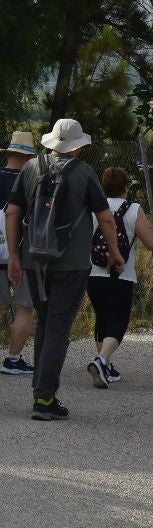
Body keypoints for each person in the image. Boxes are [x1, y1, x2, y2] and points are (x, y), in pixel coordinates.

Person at [5, 119, 123, 419]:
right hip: (70, 264)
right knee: (58, 326)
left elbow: (14, 211)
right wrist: (114, 252)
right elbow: (106, 218)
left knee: (45, 322)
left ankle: (40, 392)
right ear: (78, 146)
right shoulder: (84, 173)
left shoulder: (31, 168)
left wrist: (16, 255)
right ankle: (44, 400)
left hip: (33, 261)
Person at [85, 167, 153, 388]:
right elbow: (150, 243)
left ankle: (105, 366)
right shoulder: (134, 209)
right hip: (121, 274)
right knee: (117, 322)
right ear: (126, 187)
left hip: (93, 273)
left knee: (102, 318)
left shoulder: (93, 208)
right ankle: (101, 360)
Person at [0, 130, 36, 375]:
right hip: (20, 251)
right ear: (27, 157)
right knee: (25, 307)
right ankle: (13, 359)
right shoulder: (30, 181)